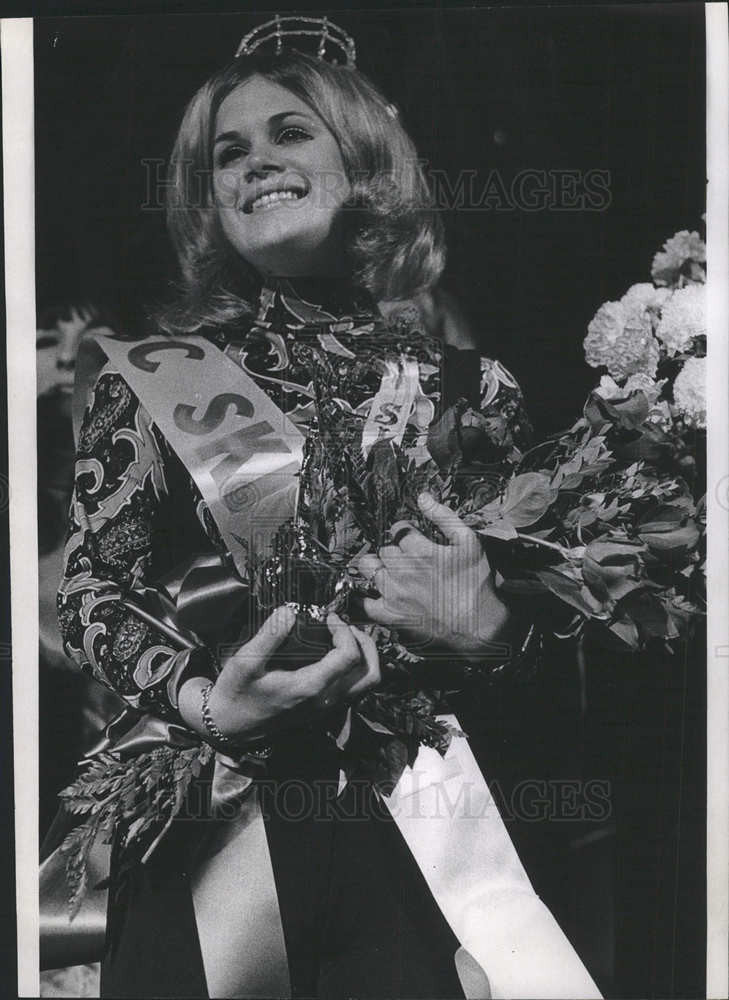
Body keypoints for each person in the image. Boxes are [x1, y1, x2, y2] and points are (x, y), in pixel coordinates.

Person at [56, 22, 561, 1000]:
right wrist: (208, 700)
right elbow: (90, 591)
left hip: (420, 834)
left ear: (364, 159)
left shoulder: (478, 388)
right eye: (227, 153)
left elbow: (550, 641)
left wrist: (491, 628)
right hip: (217, 818)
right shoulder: (156, 376)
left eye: (291, 134)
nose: (256, 165)